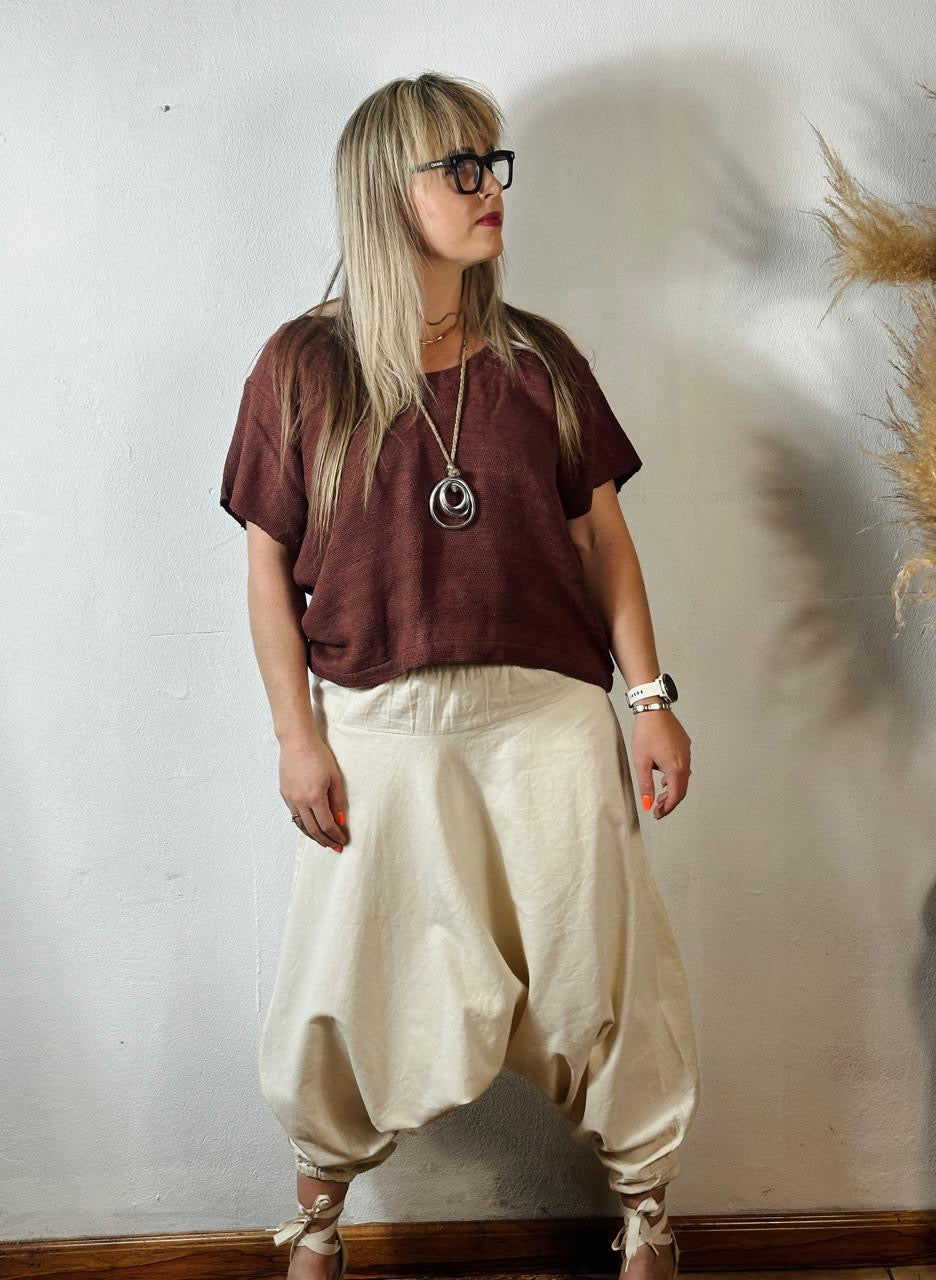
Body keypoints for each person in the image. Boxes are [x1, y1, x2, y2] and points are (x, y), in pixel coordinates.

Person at [219, 72, 700, 1280]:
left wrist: (648, 699)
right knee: (346, 984)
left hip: (547, 716)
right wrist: (296, 737)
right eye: (463, 167)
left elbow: (602, 539)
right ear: (391, 192)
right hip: (380, 719)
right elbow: (268, 566)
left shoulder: (541, 360)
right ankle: (317, 1228)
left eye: (496, 163)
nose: (494, 189)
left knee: (602, 971)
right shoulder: (303, 366)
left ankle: (648, 1218)